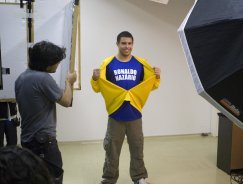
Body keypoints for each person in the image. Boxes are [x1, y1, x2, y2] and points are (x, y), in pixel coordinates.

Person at [91, 31, 161, 184]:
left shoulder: (140, 63)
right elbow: (98, 88)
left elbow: (152, 85)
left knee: (137, 147)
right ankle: (108, 178)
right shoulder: (108, 64)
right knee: (112, 149)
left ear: (132, 44)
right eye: (123, 43)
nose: (127, 46)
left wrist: (157, 75)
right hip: (115, 114)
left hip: (135, 114)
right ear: (117, 44)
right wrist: (95, 78)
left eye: (129, 43)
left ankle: (139, 177)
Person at [15, 41, 77, 184]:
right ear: (47, 63)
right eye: (56, 62)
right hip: (43, 141)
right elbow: (67, 101)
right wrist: (70, 82)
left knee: (35, 178)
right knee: (53, 178)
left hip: (28, 139)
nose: (57, 65)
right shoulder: (43, 79)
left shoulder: (21, 78)